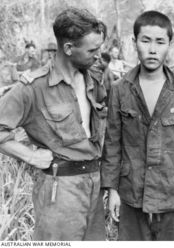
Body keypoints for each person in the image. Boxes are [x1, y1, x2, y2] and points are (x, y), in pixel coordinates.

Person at [101, 10, 174, 241]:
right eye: (145, 41)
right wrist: (112, 190)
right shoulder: (120, 89)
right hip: (131, 196)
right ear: (134, 42)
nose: (152, 49)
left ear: (169, 44)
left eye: (160, 42)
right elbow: (112, 144)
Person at [0, 8, 107, 240]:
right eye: (92, 50)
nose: (98, 55)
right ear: (68, 48)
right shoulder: (33, 87)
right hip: (59, 190)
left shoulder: (94, 80)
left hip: (94, 186)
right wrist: (31, 156)